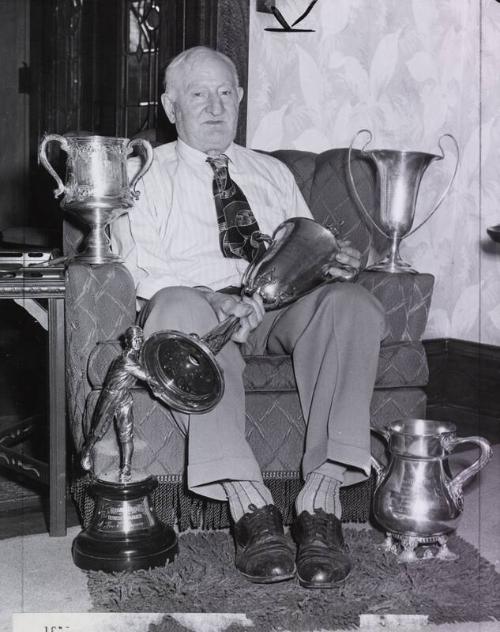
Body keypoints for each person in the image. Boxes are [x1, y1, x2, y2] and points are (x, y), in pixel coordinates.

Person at [111, 46, 386, 588]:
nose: (214, 107)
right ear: (171, 106)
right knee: (175, 308)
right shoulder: (142, 171)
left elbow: (302, 249)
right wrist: (214, 299)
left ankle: (321, 496)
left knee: (354, 305)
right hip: (198, 309)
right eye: (198, 95)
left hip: (276, 308)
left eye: (225, 94)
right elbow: (138, 269)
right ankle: (249, 502)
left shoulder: (273, 171)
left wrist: (334, 264)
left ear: (238, 99)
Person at [81, 325, 157, 483]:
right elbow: (146, 375)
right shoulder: (126, 359)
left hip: (124, 397)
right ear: (128, 341)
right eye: (135, 339)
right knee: (97, 431)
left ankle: (126, 468)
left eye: (140, 339)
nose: (138, 342)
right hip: (110, 396)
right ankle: (86, 451)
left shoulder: (136, 357)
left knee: (126, 435)